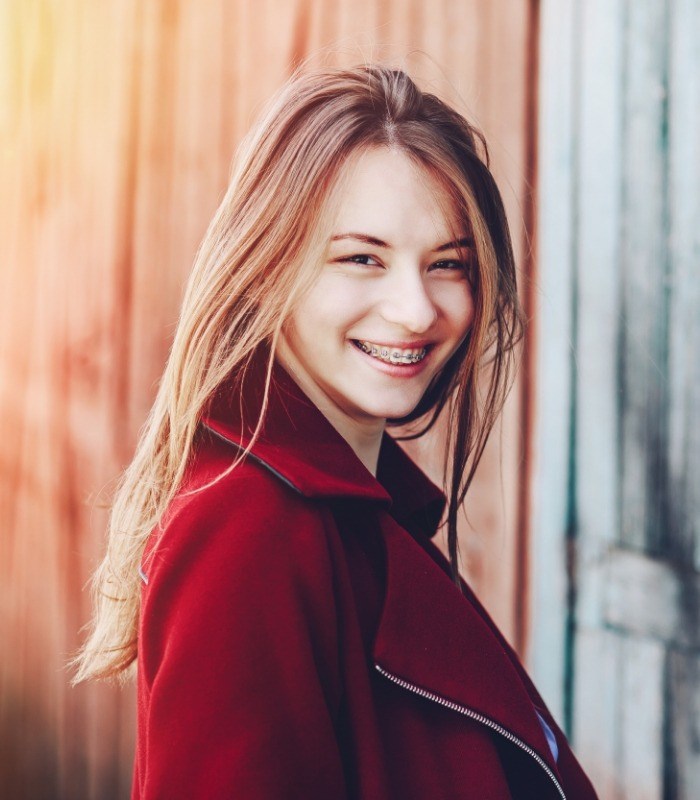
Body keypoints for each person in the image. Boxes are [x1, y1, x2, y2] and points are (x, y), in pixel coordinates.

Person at [73, 63, 598, 799]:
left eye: (448, 264)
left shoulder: (354, 514)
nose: (416, 311)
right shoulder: (246, 529)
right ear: (266, 268)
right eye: (361, 259)